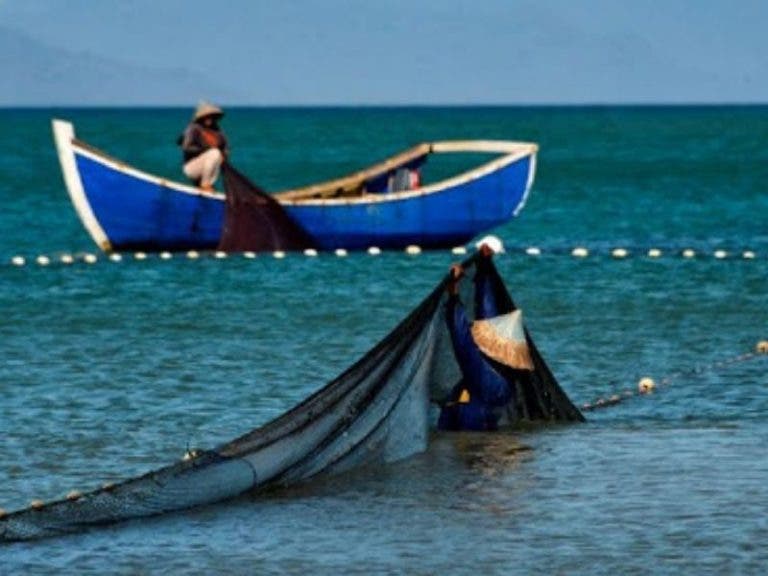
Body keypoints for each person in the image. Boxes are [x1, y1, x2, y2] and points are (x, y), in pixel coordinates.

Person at [438, 245, 534, 431]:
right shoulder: (506, 374)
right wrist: (484, 268)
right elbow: (488, 311)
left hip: (476, 443)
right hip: (490, 434)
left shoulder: (485, 374)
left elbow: (462, 340)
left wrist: (454, 294)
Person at [179, 102, 229, 191]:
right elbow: (187, 148)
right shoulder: (194, 128)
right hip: (191, 166)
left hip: (208, 166)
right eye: (206, 116)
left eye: (211, 116)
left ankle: (207, 184)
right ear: (201, 117)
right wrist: (207, 149)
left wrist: (224, 155)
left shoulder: (218, 132)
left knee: (217, 154)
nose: (209, 119)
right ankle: (205, 184)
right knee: (214, 153)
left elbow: (225, 146)